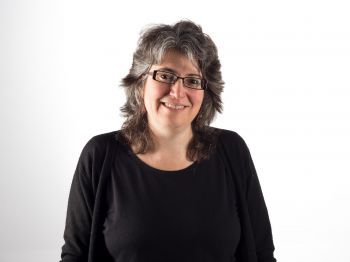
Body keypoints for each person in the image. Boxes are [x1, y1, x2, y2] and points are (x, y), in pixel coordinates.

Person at [60, 20, 277, 262]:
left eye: (193, 80)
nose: (177, 92)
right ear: (141, 82)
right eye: (165, 75)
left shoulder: (232, 150)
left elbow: (261, 253)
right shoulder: (99, 156)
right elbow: (74, 256)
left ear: (206, 93)